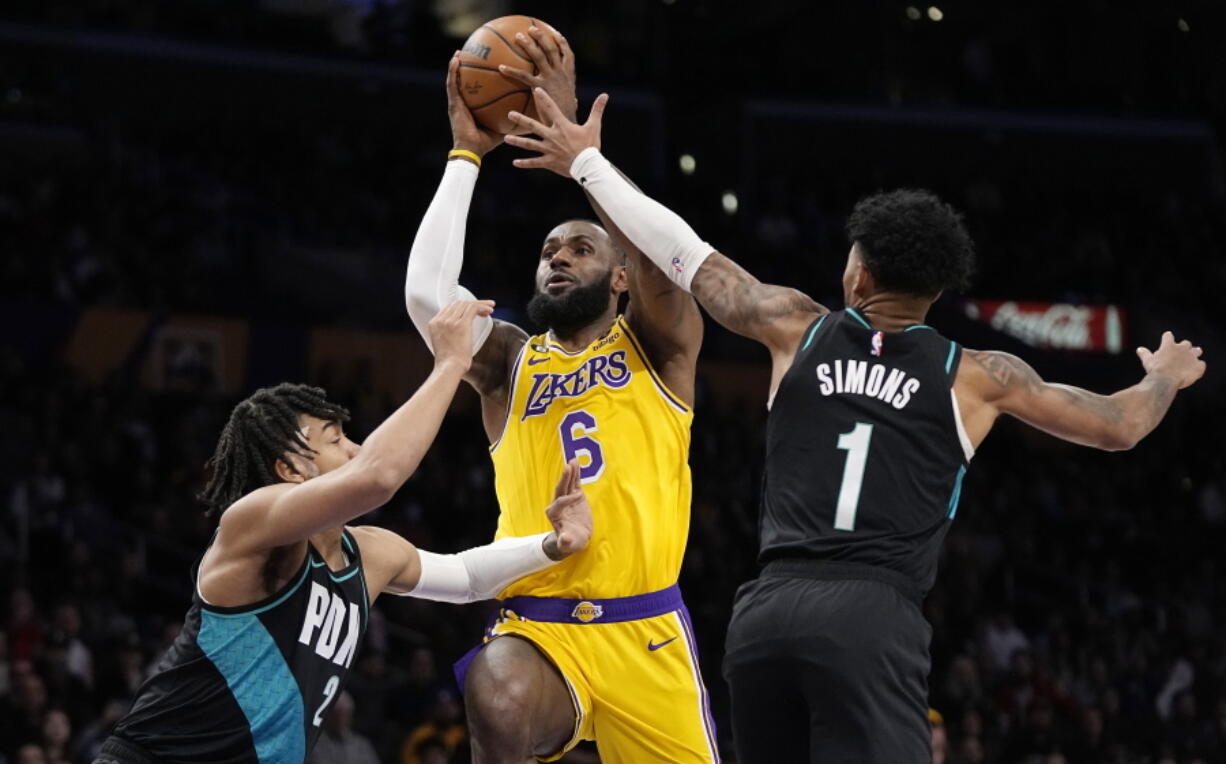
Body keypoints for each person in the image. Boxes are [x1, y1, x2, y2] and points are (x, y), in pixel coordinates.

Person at [502, 87, 1207, 763]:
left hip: (767, 616)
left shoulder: (795, 327)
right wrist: (1165, 376)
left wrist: (587, 163)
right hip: (872, 618)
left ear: (858, 277)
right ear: (934, 292)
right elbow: (1119, 426)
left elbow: (685, 255)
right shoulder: (980, 375)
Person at [94, 300, 594, 764]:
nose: (356, 450)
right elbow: (378, 476)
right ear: (290, 469)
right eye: (337, 440)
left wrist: (551, 545)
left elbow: (465, 577)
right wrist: (449, 365)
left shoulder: (368, 554)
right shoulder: (252, 524)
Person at [404, 29, 718, 764]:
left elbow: (662, 260)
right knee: (498, 693)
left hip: (647, 630)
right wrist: (465, 156)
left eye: (579, 249)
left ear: (617, 278)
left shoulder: (659, 346)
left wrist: (585, 162)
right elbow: (426, 298)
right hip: (538, 625)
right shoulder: (511, 360)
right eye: (548, 251)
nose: (558, 258)